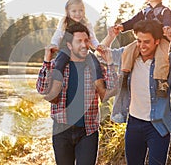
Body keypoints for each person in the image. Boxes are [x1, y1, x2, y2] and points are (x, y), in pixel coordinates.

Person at [102, 19, 171, 165]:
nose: (141, 46)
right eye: (139, 41)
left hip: (158, 125)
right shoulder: (128, 54)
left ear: (157, 41)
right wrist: (110, 37)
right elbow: (100, 55)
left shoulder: (167, 59)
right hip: (133, 124)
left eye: (146, 41)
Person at [36, 22, 117, 165]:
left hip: (88, 131)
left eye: (86, 41)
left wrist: (109, 62)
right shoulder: (57, 65)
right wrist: (46, 60)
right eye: (79, 41)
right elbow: (42, 89)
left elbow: (112, 89)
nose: (84, 45)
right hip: (61, 131)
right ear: (69, 45)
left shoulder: (95, 66)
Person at [112, 0, 171, 98]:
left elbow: (167, 21)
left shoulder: (165, 11)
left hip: (161, 38)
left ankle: (161, 82)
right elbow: (133, 21)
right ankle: (124, 75)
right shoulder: (144, 11)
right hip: (145, 38)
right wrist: (123, 26)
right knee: (129, 50)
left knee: (162, 56)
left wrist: (167, 27)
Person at [45, 0, 100, 102]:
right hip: (66, 50)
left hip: (84, 51)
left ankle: (101, 89)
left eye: (81, 10)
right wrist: (53, 44)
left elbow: (92, 38)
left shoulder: (87, 23)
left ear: (84, 11)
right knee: (59, 63)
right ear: (68, 12)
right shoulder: (64, 22)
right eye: (74, 11)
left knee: (95, 63)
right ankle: (54, 92)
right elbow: (58, 35)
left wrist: (98, 47)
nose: (78, 13)